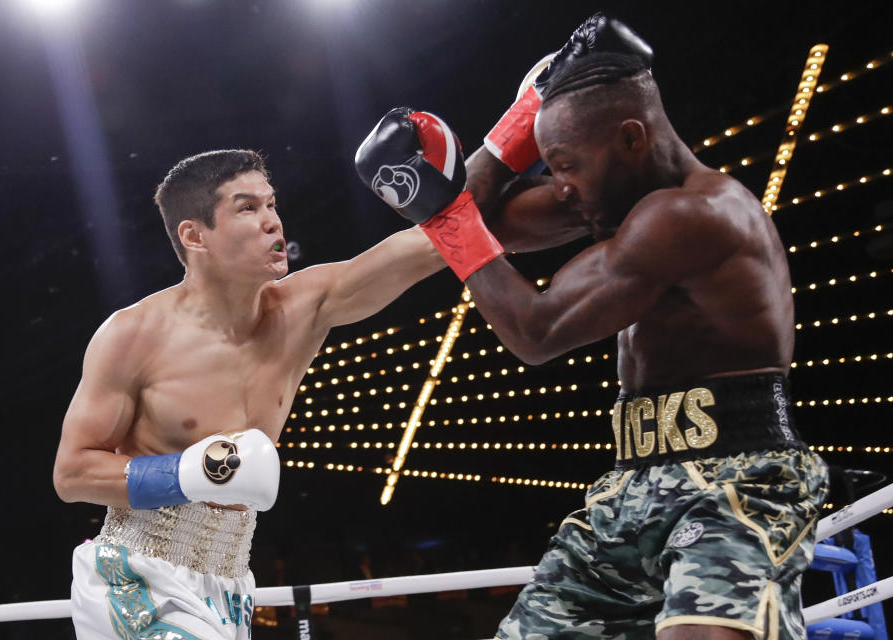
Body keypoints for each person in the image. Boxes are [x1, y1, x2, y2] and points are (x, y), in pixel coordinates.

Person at [355, 13, 828, 640]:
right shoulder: (619, 194)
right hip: (630, 484)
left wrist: (444, 214)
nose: (561, 187)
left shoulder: (693, 215)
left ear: (631, 140)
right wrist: (515, 126)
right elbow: (485, 222)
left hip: (737, 481)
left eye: (565, 166)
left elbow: (535, 330)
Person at [52, 149, 446, 639]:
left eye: (271, 204)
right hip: (137, 574)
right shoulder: (134, 334)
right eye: (246, 208)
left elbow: (437, 243)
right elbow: (72, 473)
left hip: (232, 585)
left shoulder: (305, 308)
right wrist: (192, 473)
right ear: (195, 236)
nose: (272, 222)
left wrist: (515, 137)